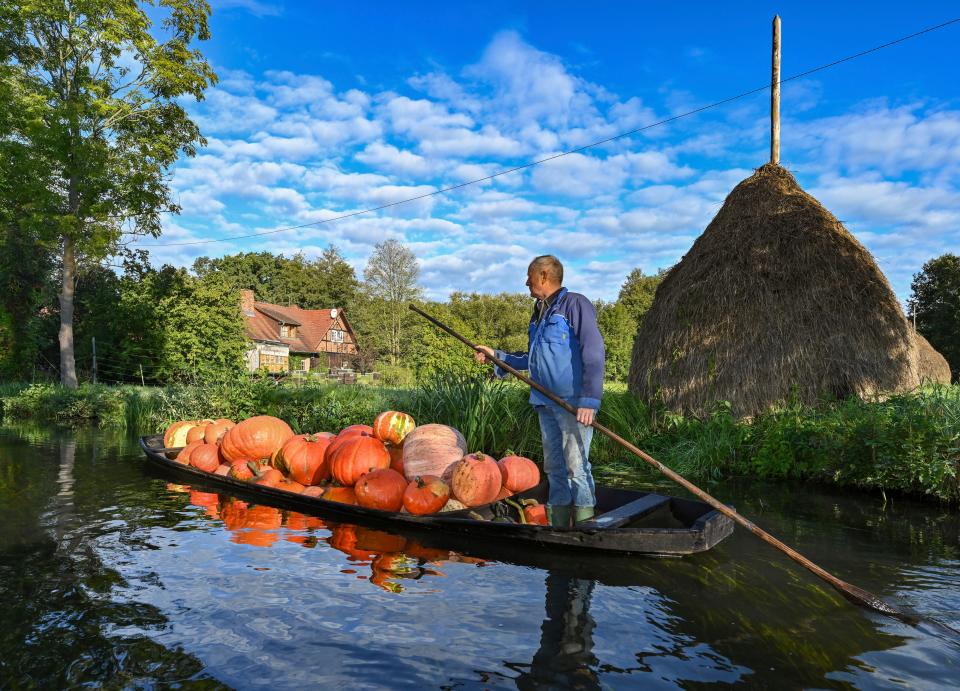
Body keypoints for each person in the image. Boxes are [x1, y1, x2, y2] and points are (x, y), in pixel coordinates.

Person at [475, 255, 605, 527]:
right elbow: (531, 358)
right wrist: (497, 356)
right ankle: (558, 525)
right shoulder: (539, 311)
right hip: (544, 403)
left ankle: (586, 527)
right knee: (554, 468)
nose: (526, 282)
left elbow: (593, 353)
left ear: (544, 276)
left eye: (529, 276)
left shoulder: (574, 305)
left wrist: (589, 401)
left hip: (572, 405)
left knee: (576, 467)